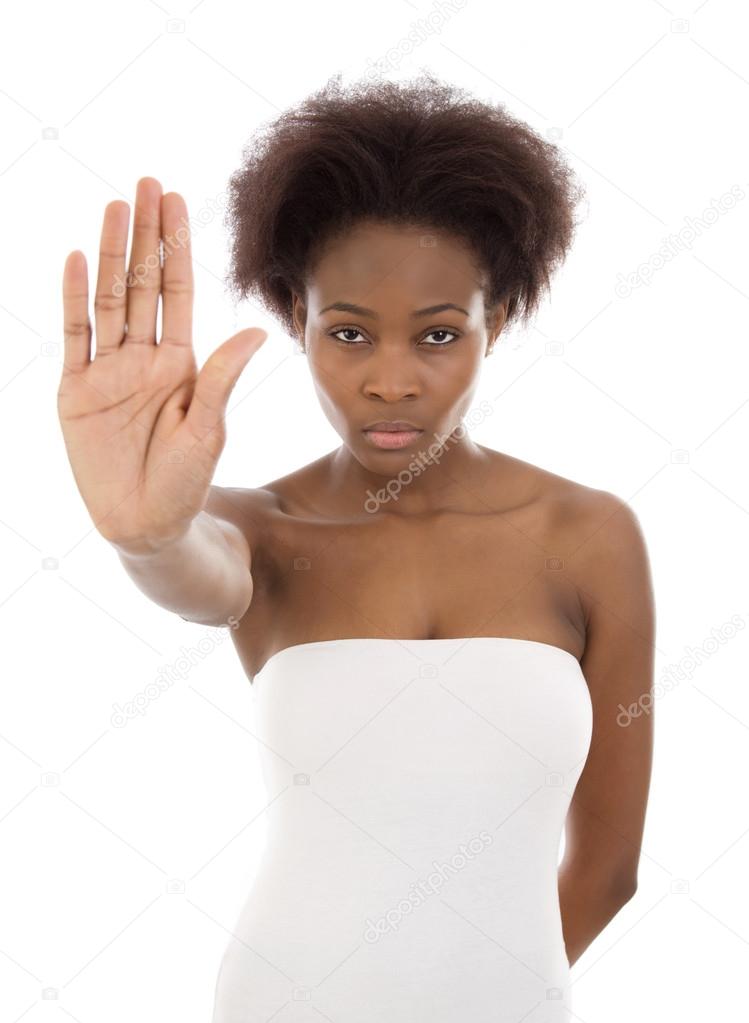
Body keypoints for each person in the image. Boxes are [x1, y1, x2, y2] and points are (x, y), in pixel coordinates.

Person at [58, 72, 654, 1023]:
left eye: (437, 334)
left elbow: (610, 867)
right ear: (297, 320)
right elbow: (194, 571)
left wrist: (477, 995)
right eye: (348, 331)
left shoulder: (589, 535)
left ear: (494, 325)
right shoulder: (258, 530)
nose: (390, 380)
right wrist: (146, 533)